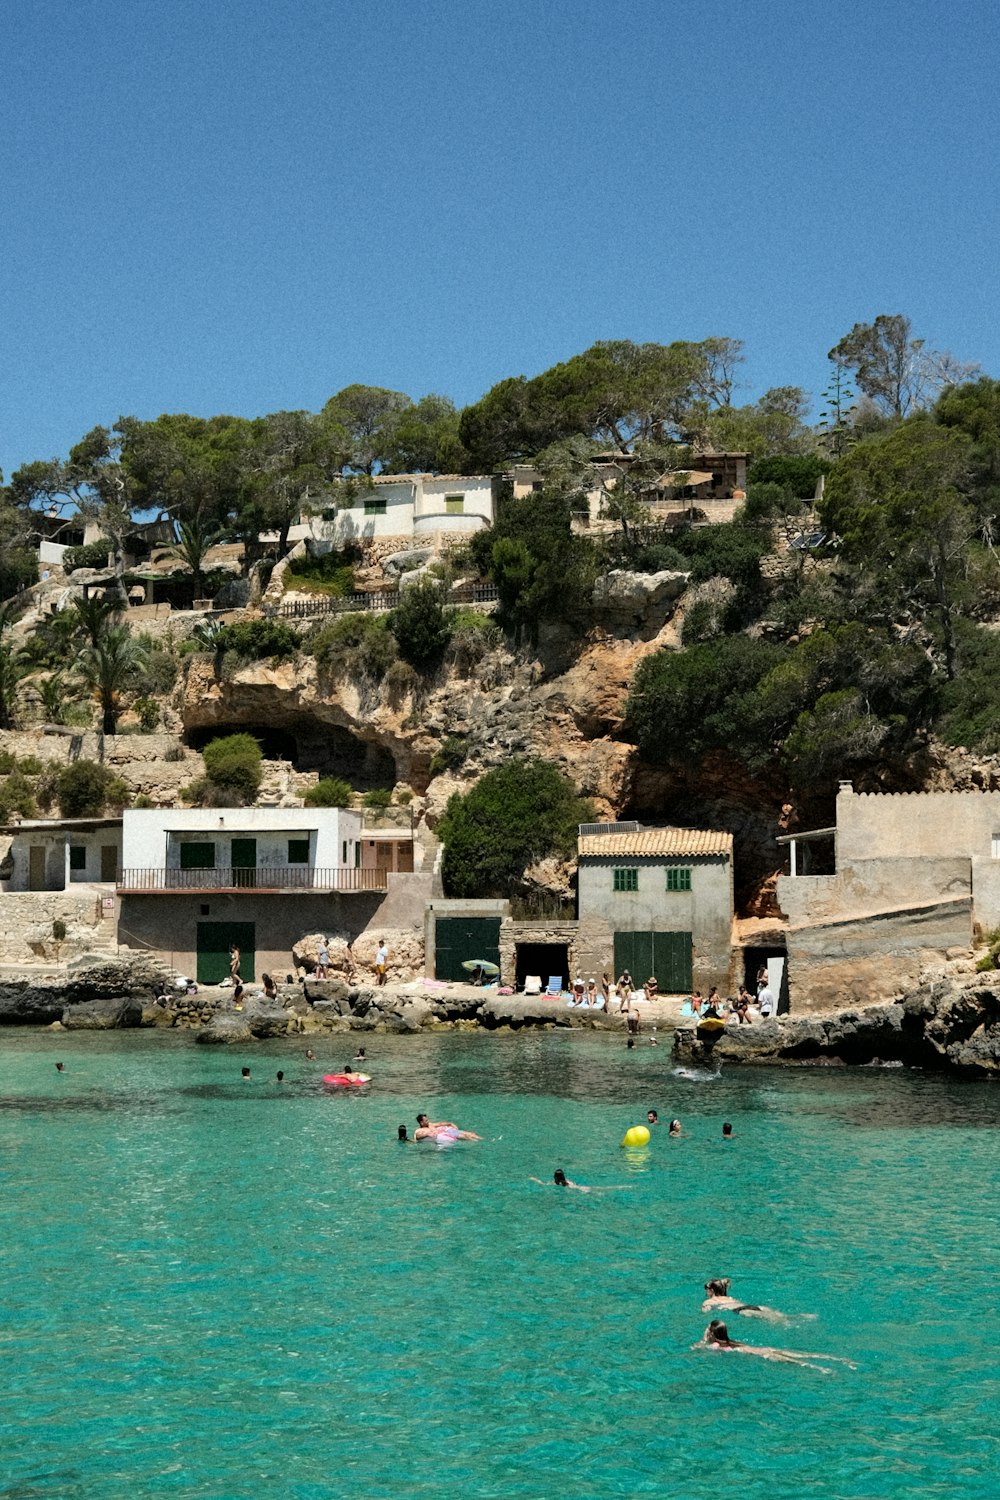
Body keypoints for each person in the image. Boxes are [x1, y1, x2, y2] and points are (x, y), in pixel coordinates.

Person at [696, 1320, 854, 1371]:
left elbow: (697, 1348)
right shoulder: (732, 1342)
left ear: (712, 1333)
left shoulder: (717, 1346)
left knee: (796, 1362)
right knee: (802, 1355)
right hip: (764, 1349)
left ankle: (821, 1369)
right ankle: (840, 1359)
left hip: (761, 1354)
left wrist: (704, 1339)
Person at [702, 1279, 798, 1324]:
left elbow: (705, 1313)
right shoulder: (730, 1298)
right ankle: (797, 1317)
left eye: (706, 1289)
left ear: (712, 1290)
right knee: (782, 1316)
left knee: (776, 1321)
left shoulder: (709, 1301)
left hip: (742, 1311)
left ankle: (788, 1323)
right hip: (751, 1306)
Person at [414, 1112, 482, 1142]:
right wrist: (427, 1134)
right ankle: (479, 1142)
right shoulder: (419, 1130)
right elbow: (417, 1137)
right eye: (426, 1120)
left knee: (471, 1134)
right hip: (447, 1134)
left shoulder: (430, 1124)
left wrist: (450, 1124)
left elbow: (440, 1124)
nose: (428, 1121)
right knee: (466, 1137)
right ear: (421, 1122)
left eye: (427, 1120)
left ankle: (482, 1140)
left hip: (448, 1131)